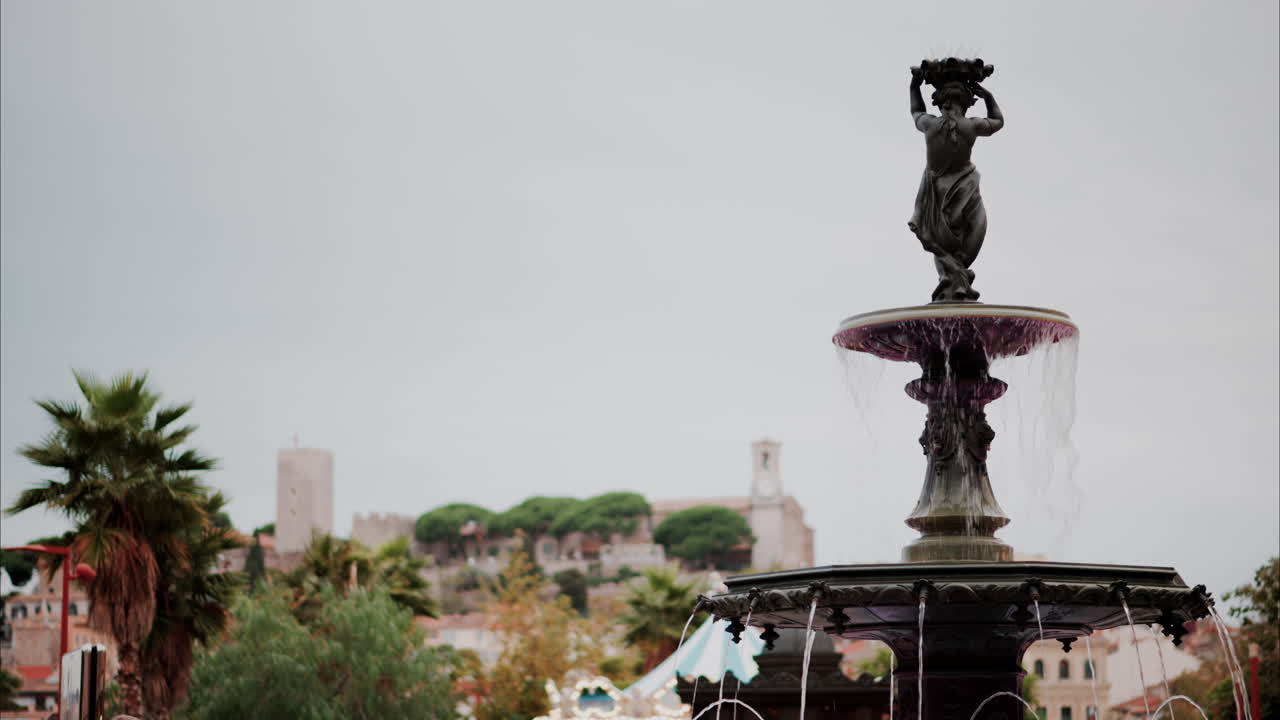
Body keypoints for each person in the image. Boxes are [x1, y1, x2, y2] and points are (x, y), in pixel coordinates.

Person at [908, 66, 1003, 302]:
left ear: (939, 103)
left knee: (939, 241)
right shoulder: (971, 125)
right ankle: (957, 277)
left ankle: (951, 278)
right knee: (976, 227)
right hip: (965, 185)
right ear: (968, 102)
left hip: (937, 188)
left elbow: (916, 111)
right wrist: (989, 97)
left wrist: (915, 86)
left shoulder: (930, 124)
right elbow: (998, 121)